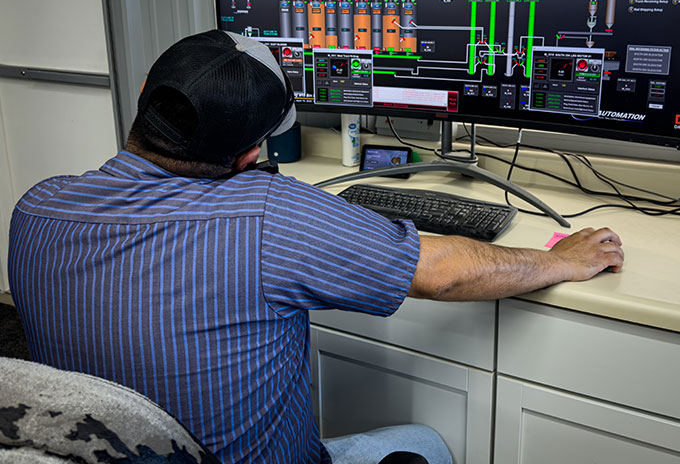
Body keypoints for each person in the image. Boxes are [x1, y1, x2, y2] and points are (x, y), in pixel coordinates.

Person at [8, 30, 624, 464]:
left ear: (146, 91)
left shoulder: (34, 207)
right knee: (428, 442)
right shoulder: (266, 214)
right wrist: (562, 259)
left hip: (101, 454)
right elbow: (445, 274)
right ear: (254, 155)